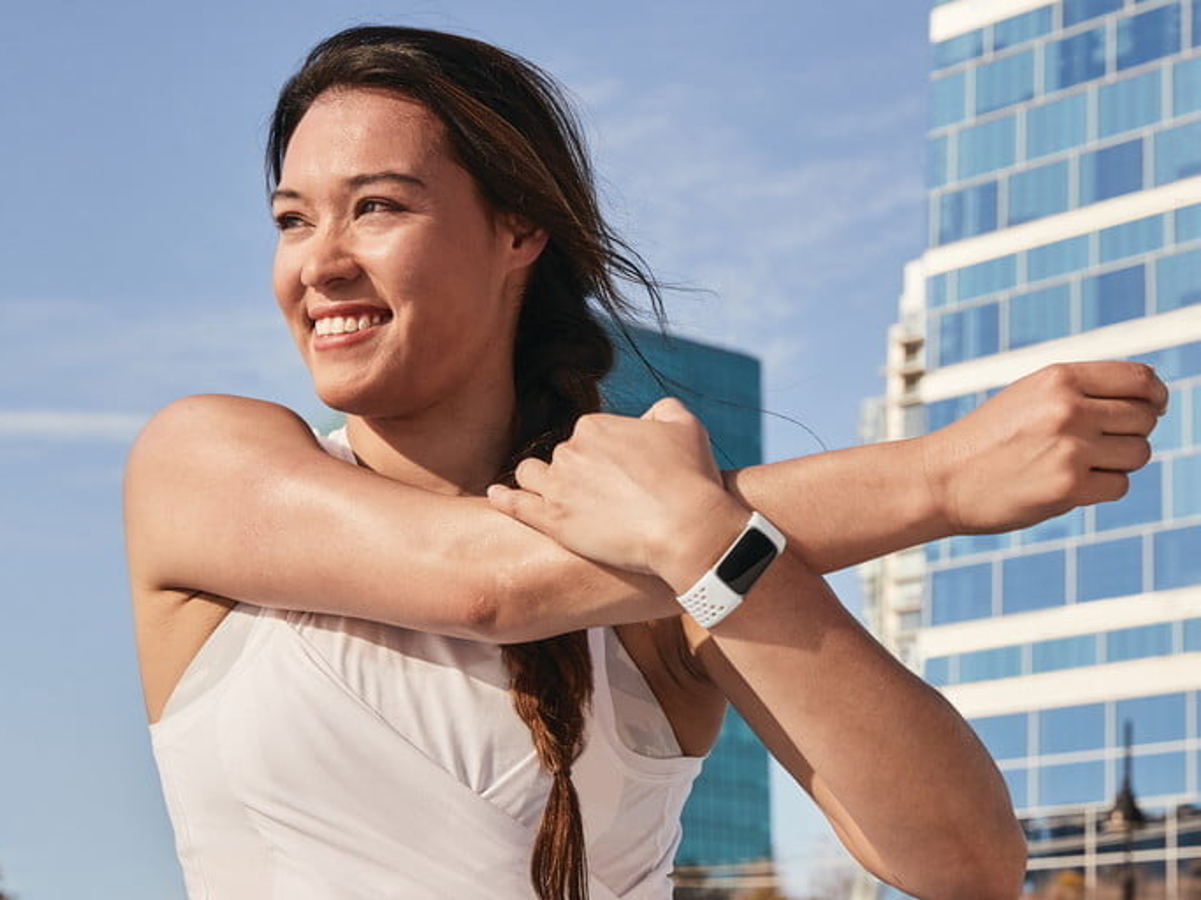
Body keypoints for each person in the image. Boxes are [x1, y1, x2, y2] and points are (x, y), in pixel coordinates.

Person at [124, 25, 1168, 900]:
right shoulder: (203, 464)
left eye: (379, 205)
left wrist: (713, 543)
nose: (319, 262)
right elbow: (485, 583)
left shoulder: (690, 568)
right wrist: (933, 479)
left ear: (519, 229)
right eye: (291, 219)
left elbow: (965, 862)